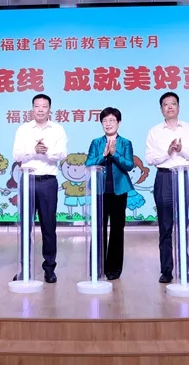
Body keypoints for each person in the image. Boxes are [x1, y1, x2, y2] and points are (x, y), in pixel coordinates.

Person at [145, 92, 189, 283]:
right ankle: (166, 270)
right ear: (161, 109)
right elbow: (150, 159)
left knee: (183, 226)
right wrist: (168, 151)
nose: (170, 107)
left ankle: (184, 270)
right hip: (164, 178)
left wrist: (181, 150)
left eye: (173, 103)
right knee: (165, 227)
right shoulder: (154, 131)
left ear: (179, 107)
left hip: (184, 176)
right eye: (166, 104)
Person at [11, 93, 68, 283]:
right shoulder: (24, 129)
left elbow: (63, 153)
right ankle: (24, 268)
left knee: (48, 227)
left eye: (44, 106)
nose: (41, 110)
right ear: (32, 108)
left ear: (49, 109)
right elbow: (16, 155)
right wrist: (33, 150)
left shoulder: (57, 129)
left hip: (48, 181)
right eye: (37, 106)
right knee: (25, 227)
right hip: (27, 180)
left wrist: (47, 150)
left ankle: (49, 268)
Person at [85, 107, 135, 280]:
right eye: (105, 121)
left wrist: (114, 154)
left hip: (119, 191)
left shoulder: (125, 143)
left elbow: (129, 165)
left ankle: (114, 269)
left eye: (112, 120)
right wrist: (103, 154)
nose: (108, 124)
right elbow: (89, 163)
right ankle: (97, 267)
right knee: (98, 228)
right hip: (100, 191)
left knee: (117, 230)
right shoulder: (96, 142)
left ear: (118, 123)